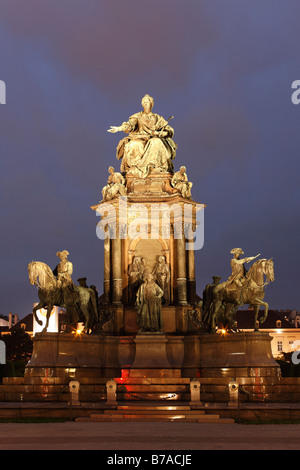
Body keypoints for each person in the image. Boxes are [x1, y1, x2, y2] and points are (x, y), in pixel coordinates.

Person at [107, 94, 177, 177]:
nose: (145, 103)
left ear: (151, 104)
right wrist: (119, 128)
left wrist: (161, 133)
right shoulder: (137, 116)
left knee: (156, 142)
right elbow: (130, 125)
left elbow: (168, 129)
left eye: (147, 102)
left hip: (153, 137)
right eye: (144, 102)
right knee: (134, 145)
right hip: (139, 137)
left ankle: (154, 167)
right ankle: (135, 168)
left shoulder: (158, 117)